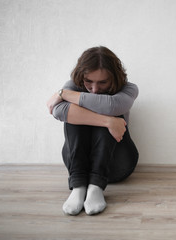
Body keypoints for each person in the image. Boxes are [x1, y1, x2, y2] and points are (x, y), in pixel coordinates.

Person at [46, 46, 139, 215]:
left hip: (117, 164)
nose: (94, 89)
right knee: (76, 117)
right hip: (76, 165)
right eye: (89, 81)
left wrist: (63, 94)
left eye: (103, 82)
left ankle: (96, 187)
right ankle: (78, 186)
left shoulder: (129, 89)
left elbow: (113, 106)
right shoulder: (74, 85)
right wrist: (108, 121)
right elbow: (58, 111)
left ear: (114, 77)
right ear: (81, 76)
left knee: (104, 109)